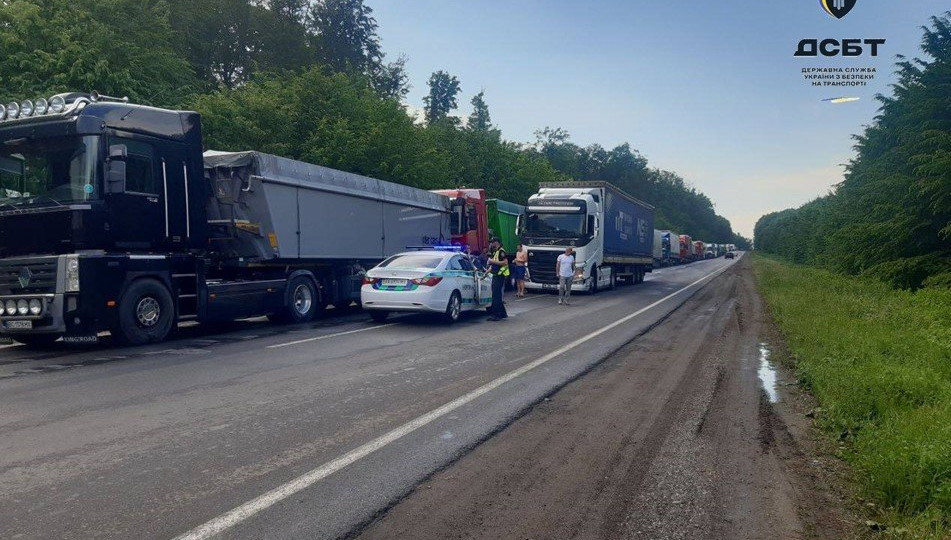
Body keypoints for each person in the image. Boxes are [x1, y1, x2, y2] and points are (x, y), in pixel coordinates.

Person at [486, 237, 509, 321]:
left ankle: (496, 315)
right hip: (495, 274)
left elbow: (505, 262)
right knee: (497, 294)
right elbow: (493, 266)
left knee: (496, 295)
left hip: (500, 275)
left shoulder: (501, 251)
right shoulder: (496, 251)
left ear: (497, 242)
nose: (491, 244)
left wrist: (492, 262)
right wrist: (486, 273)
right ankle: (503, 313)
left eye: (492, 242)